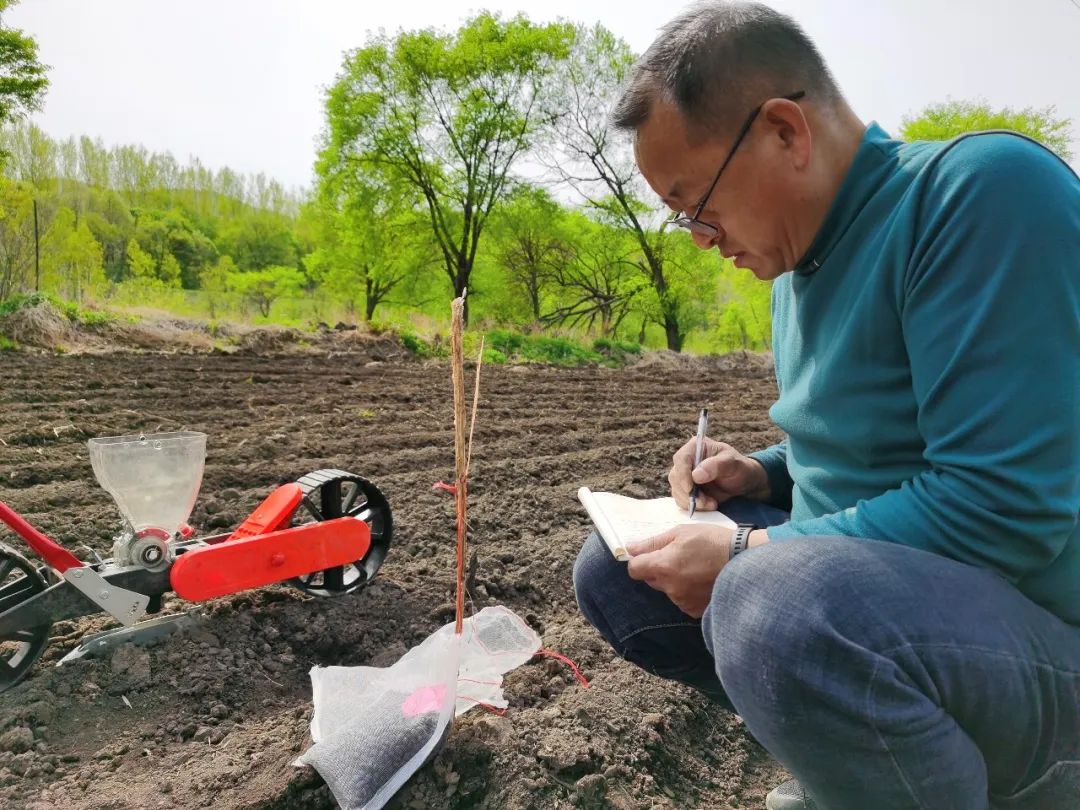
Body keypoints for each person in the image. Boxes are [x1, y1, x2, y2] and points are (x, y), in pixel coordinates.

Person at [571, 2, 1080, 808]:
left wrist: (749, 559)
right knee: (619, 572)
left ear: (784, 131)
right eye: (683, 222)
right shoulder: (794, 265)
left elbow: (1004, 505)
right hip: (893, 610)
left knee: (773, 603)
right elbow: (887, 445)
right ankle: (866, 766)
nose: (701, 237)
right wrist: (765, 477)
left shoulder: (977, 196)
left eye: (697, 205)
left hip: (1042, 644)